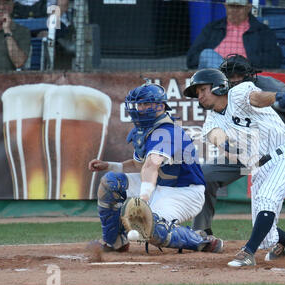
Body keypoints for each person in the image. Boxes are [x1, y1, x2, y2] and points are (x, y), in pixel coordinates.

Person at [191, 54, 285, 246]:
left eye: (239, 76)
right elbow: (219, 138)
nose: (235, 81)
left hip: (279, 146)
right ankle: (201, 229)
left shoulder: (271, 87)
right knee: (205, 174)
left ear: (250, 75)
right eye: (230, 78)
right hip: (245, 154)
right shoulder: (218, 107)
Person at [184, 69, 285, 267]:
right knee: (267, 237)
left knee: (267, 197)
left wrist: (277, 99)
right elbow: (221, 140)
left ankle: (248, 252)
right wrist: (231, 144)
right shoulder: (210, 122)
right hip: (259, 167)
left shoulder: (238, 93)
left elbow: (258, 98)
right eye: (197, 93)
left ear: (218, 86)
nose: (200, 96)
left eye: (202, 89)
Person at [88, 83, 224, 254]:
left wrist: (143, 199)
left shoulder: (167, 131)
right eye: (139, 104)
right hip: (159, 184)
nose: (139, 108)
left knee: (149, 227)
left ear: (160, 106)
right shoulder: (144, 131)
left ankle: (200, 240)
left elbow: (152, 165)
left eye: (145, 104)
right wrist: (110, 166)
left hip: (184, 192)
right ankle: (114, 242)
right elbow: (141, 165)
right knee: (111, 182)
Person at [186, 0, 282, 70]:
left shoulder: (262, 31)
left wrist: (240, 62)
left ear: (248, 8)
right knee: (207, 54)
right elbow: (191, 58)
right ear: (225, 6)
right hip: (214, 74)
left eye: (239, 7)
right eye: (231, 6)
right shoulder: (212, 28)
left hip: (244, 73)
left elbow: (274, 60)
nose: (234, 10)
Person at [0, 0, 31, 71]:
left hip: (4, 79)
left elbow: (19, 62)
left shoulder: (22, 31)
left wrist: (7, 31)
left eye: (6, 3)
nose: (1, 7)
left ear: (12, 6)